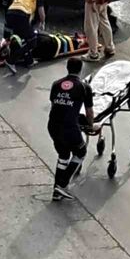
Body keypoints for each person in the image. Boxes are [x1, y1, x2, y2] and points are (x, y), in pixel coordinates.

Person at [48, 57, 98, 201]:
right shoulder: (84, 87)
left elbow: (55, 105)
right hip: (69, 126)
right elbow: (89, 111)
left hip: (52, 126)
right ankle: (62, 184)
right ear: (81, 69)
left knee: (63, 155)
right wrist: (90, 125)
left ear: (67, 68)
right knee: (81, 152)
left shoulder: (56, 84)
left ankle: (57, 192)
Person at [4, 0, 45, 67]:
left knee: (21, 39)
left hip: (10, 13)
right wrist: (42, 22)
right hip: (22, 15)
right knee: (32, 40)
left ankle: (29, 61)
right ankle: (12, 60)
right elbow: (41, 11)